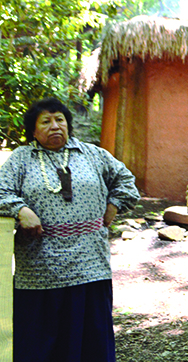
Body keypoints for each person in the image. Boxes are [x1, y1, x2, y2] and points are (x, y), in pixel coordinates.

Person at [0, 97, 140, 362]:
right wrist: (21, 210)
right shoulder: (21, 159)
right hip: (40, 269)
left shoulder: (93, 154)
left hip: (89, 265)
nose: (55, 126)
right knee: (40, 343)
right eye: (46, 121)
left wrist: (114, 204)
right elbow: (0, 190)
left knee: (90, 342)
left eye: (60, 120)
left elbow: (126, 181)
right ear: (33, 130)